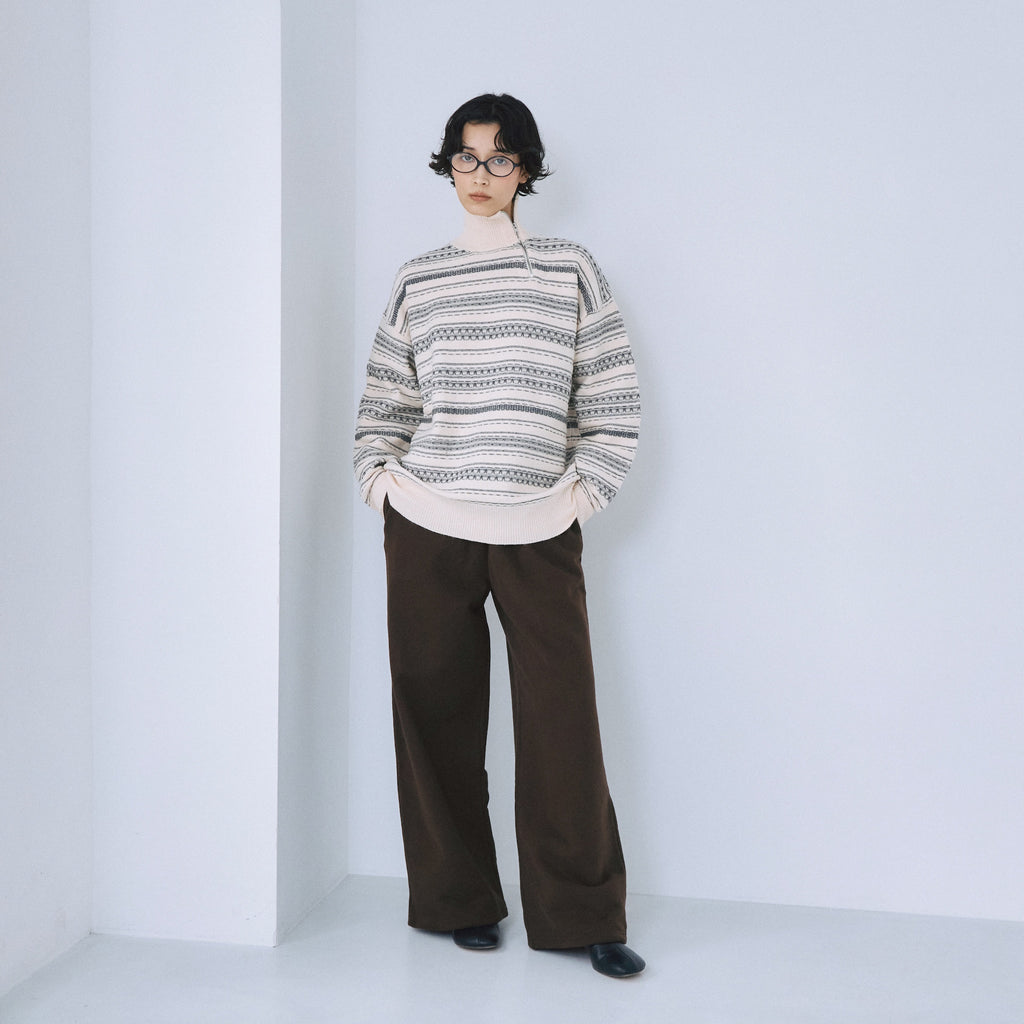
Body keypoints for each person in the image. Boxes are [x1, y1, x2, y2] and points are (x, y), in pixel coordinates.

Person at [353, 93, 644, 979]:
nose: (481, 175)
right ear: (448, 165)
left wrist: (584, 491)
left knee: (562, 722)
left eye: (501, 158)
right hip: (428, 520)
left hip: (538, 522)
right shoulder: (419, 278)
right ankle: (459, 901)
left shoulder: (568, 269)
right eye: (467, 157)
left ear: (528, 170)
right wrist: (381, 482)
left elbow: (611, 394)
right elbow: (385, 402)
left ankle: (583, 915)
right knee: (434, 714)